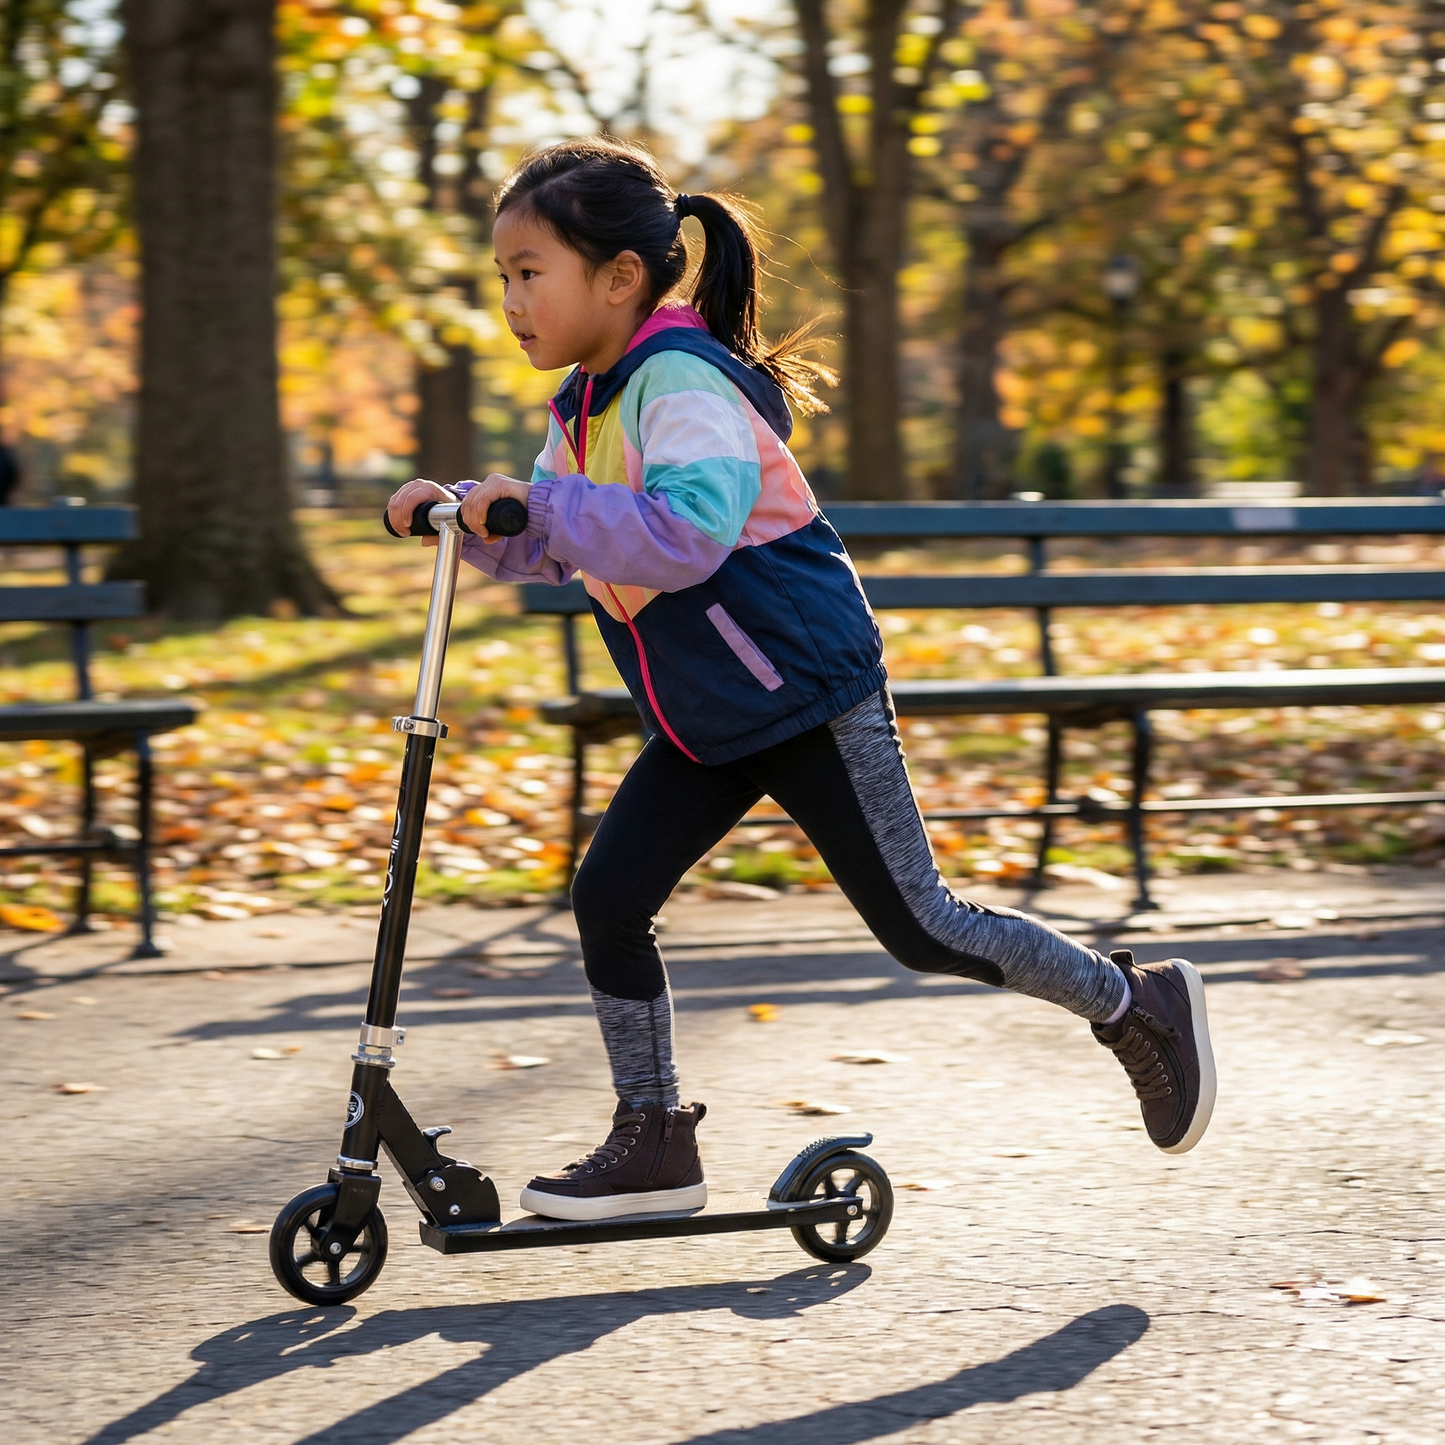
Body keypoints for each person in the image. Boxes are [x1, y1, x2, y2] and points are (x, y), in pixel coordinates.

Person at [387, 137, 1216, 1223]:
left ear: (619, 277)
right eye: (501, 276)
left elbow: (684, 532)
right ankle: (652, 1139)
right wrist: (461, 514)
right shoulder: (581, 405)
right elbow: (557, 539)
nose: (510, 299)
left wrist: (538, 511)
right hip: (708, 711)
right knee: (608, 897)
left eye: (528, 271)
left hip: (805, 693)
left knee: (923, 925)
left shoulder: (678, 382)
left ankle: (1133, 1002)